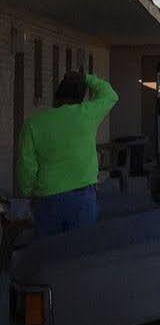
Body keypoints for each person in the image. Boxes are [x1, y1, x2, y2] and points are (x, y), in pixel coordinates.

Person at [15, 69, 118, 238]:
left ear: (56, 98)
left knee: (49, 254)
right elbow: (110, 95)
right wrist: (86, 78)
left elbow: (26, 164)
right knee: (79, 253)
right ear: (79, 99)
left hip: (46, 198)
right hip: (82, 196)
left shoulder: (33, 124)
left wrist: (28, 191)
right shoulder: (86, 113)